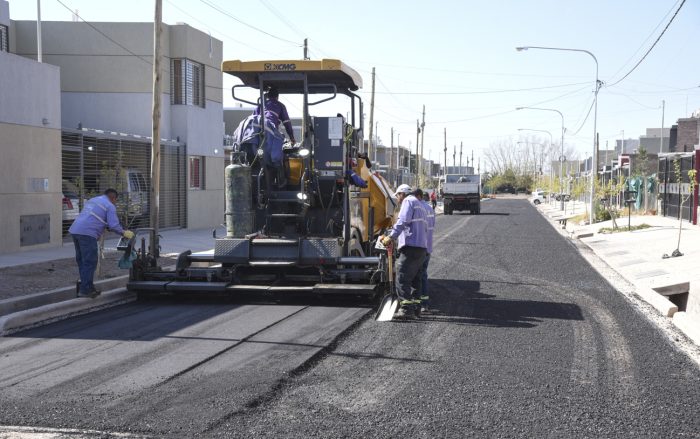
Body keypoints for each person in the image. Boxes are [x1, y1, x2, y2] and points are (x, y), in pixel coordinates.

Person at [68, 189, 134, 298]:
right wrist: (124, 232)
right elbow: (113, 225)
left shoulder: (93, 200)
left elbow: (93, 217)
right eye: (115, 201)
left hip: (75, 230)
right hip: (87, 233)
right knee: (90, 261)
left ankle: (85, 286)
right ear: (113, 198)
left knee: (82, 261)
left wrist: (97, 233)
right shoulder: (110, 205)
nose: (115, 203)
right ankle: (85, 290)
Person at [381, 184, 429, 318]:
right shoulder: (420, 204)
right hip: (421, 248)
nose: (397, 199)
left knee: (402, 276)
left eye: (397, 196)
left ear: (402, 194)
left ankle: (406, 309)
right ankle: (416, 308)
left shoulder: (408, 201)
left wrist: (391, 237)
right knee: (415, 279)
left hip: (411, 247)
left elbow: (402, 221)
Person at [254, 86, 296, 189]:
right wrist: (292, 137)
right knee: (281, 153)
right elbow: (287, 123)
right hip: (271, 132)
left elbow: (254, 118)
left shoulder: (261, 105)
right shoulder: (280, 105)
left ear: (267, 96)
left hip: (256, 136)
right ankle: (281, 178)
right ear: (277, 97)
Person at [420, 190, 436, 312]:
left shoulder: (419, 208)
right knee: (424, 274)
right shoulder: (430, 209)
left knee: (416, 275)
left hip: (418, 247)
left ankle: (416, 302)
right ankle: (425, 303)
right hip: (428, 247)